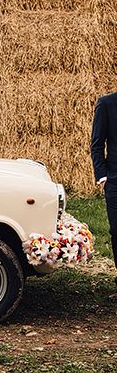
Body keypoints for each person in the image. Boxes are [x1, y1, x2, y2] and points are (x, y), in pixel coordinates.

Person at [91, 91, 117, 290]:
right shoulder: (107, 103)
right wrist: (103, 176)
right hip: (115, 181)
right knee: (116, 232)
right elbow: (97, 144)